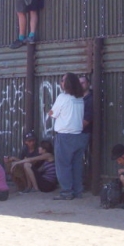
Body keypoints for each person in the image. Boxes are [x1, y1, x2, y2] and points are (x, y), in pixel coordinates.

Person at [50, 72, 85, 200]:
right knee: (76, 166)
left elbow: (53, 113)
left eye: (63, 80)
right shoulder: (80, 98)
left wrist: (50, 112)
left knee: (63, 166)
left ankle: (66, 192)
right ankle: (77, 191)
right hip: (78, 136)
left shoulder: (62, 97)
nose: (61, 82)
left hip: (64, 136)